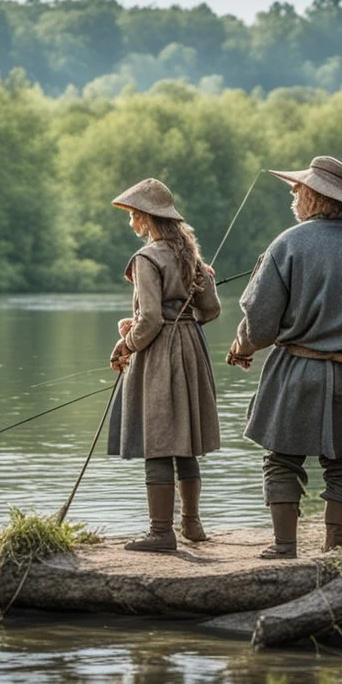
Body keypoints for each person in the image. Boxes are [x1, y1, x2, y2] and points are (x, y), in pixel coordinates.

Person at [225, 156, 342, 559]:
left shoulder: (287, 243)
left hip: (296, 373)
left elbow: (259, 323)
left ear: (313, 196)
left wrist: (241, 347)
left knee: (282, 460)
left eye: (297, 190)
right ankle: (335, 550)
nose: (293, 196)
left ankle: (284, 548)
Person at [106, 178, 221, 553]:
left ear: (145, 217)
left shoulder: (147, 257)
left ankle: (160, 533)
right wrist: (184, 319)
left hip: (159, 354)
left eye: (132, 216)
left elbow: (152, 319)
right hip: (191, 348)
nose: (131, 223)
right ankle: (193, 525)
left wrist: (126, 343)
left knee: (157, 441)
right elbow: (211, 310)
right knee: (184, 440)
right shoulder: (190, 255)